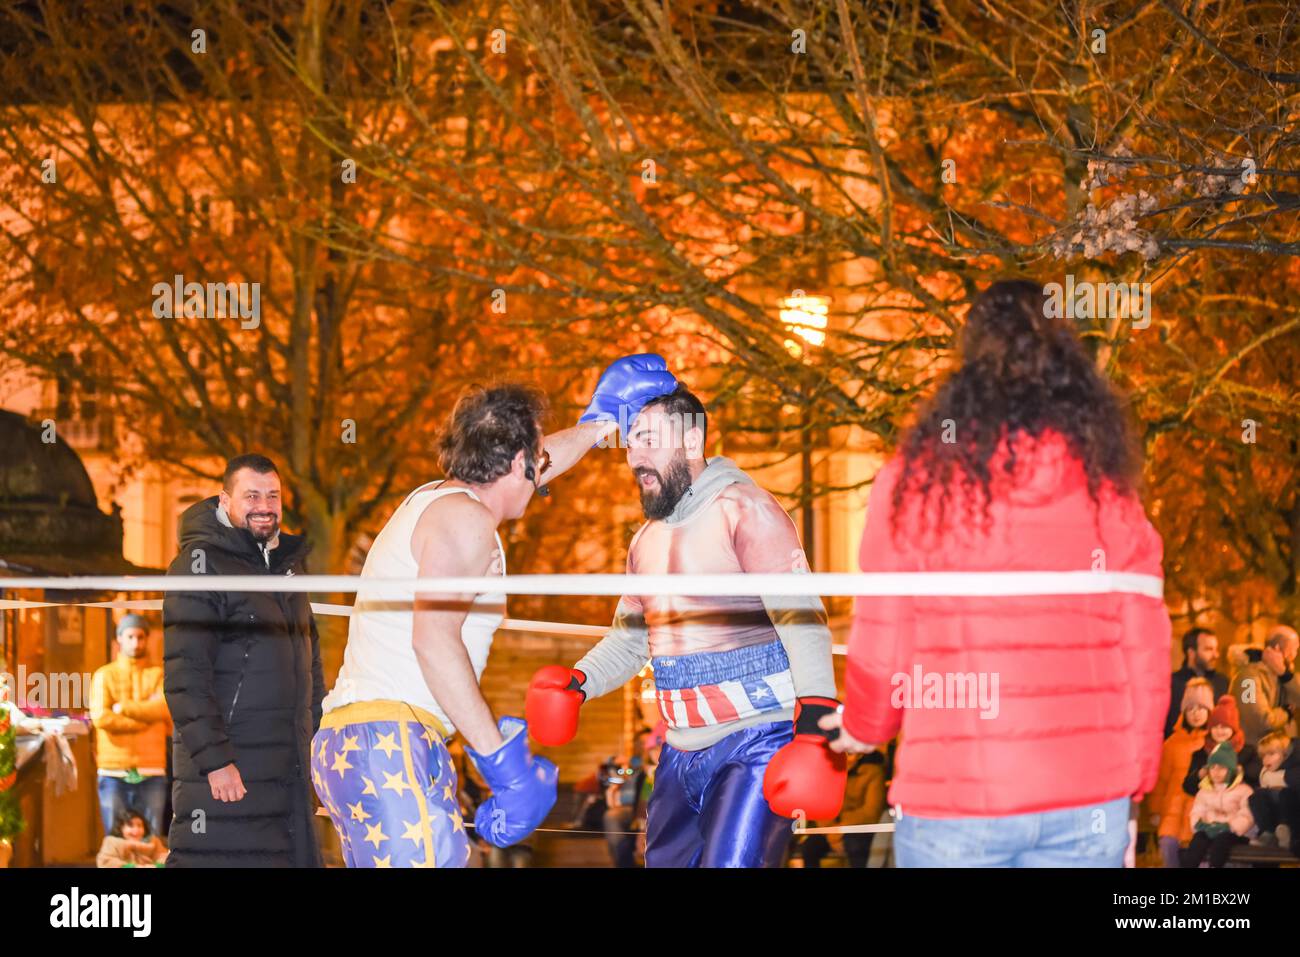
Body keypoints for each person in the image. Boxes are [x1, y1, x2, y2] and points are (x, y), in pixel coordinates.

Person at [823, 279, 1170, 868]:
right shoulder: (1107, 488)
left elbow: (883, 630)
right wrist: (1135, 771)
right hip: (1089, 795)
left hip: (954, 797)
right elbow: (1145, 642)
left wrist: (866, 725)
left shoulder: (916, 484)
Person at [313, 358, 675, 868]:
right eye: (535, 459)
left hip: (367, 740)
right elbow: (433, 640)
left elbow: (542, 459)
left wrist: (602, 423)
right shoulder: (466, 520)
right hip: (388, 740)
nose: (542, 472)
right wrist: (504, 766)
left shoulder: (439, 501)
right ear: (517, 461)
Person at [527, 383, 842, 868]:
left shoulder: (747, 509)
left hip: (755, 741)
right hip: (677, 751)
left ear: (692, 442)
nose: (636, 458)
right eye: (632, 442)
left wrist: (816, 728)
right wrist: (578, 683)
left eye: (650, 439)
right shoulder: (643, 541)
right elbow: (631, 641)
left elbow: (803, 620)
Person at [163, 454, 324, 867]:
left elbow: (312, 666)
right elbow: (185, 675)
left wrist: (317, 750)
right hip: (227, 779)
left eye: (273, 495)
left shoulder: (288, 569)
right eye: (251, 495)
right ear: (225, 499)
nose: (264, 505)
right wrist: (216, 762)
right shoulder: (200, 566)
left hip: (287, 775)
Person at [89, 614, 171, 838]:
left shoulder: (158, 675)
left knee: (151, 841)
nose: (136, 642)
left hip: (152, 768)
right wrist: (146, 718)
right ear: (119, 640)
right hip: (113, 771)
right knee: (115, 840)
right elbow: (101, 718)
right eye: (131, 636)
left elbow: (164, 709)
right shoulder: (104, 676)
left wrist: (123, 707)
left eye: (141, 637)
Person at [1148, 678, 1214, 867]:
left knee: (1199, 855)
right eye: (1190, 708)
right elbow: (1161, 780)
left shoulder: (1213, 742)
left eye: (1201, 708)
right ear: (1183, 711)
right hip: (1172, 810)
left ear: (1210, 710)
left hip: (1201, 809)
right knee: (1168, 846)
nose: (1196, 713)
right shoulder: (1171, 744)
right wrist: (1155, 810)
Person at [1182, 742, 1253, 867]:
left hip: (1234, 832)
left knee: (1221, 842)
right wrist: (1200, 825)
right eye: (1212, 767)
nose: (1216, 772)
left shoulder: (1244, 790)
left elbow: (1247, 814)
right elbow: (1197, 811)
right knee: (1198, 839)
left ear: (1231, 769)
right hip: (1210, 829)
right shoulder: (1204, 790)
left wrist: (1230, 826)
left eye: (1221, 768)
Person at [1230, 625, 1298, 747]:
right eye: (1294, 649)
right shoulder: (1248, 679)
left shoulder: (1283, 677)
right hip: (1253, 753)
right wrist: (1286, 712)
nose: (1295, 654)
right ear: (1277, 648)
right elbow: (1259, 721)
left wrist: (1284, 674)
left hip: (1277, 751)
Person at [1165, 628, 1228, 738]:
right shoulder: (1172, 684)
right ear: (1191, 653)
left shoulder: (1223, 682)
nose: (1216, 655)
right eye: (1208, 649)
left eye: (1216, 649)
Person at [1247, 730, 1300, 853]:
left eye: (1271, 754)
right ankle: (1268, 832)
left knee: (1286, 794)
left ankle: (1288, 832)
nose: (1266, 760)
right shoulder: (1266, 772)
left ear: (1285, 754)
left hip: (1294, 818)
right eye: (1263, 756)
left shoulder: (1296, 762)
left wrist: (1282, 778)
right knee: (1257, 796)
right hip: (1276, 816)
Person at [96, 806, 169, 868]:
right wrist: (132, 867)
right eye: (130, 825)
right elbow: (105, 861)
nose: (136, 830)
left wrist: (157, 866)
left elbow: (164, 857)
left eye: (139, 825)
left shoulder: (153, 841)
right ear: (120, 828)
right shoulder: (112, 842)